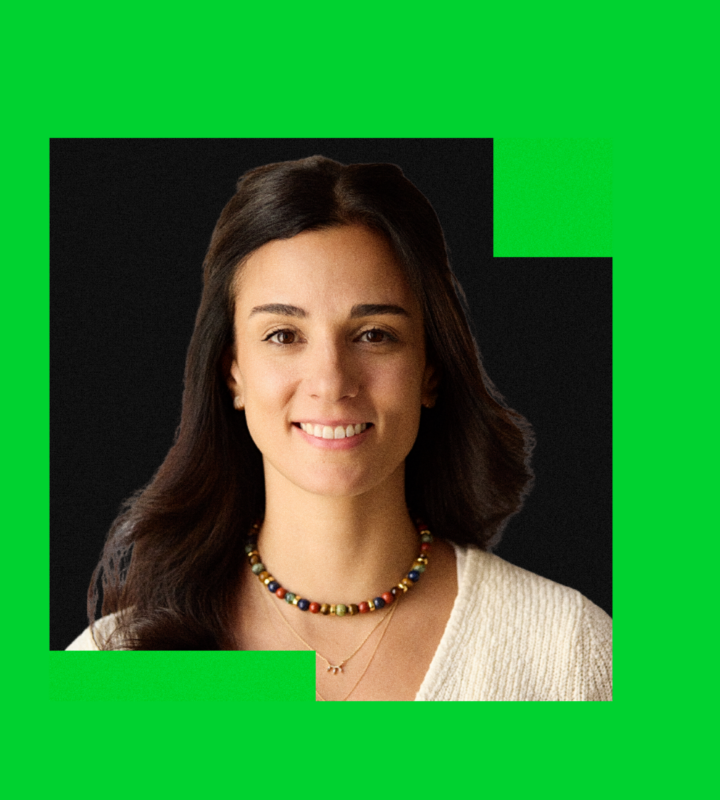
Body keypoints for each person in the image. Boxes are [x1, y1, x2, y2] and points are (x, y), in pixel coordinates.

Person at [66, 155, 612, 701]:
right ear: (231, 372)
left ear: (431, 369)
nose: (331, 382)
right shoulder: (117, 662)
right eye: (283, 335)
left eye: (374, 335)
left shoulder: (566, 651)